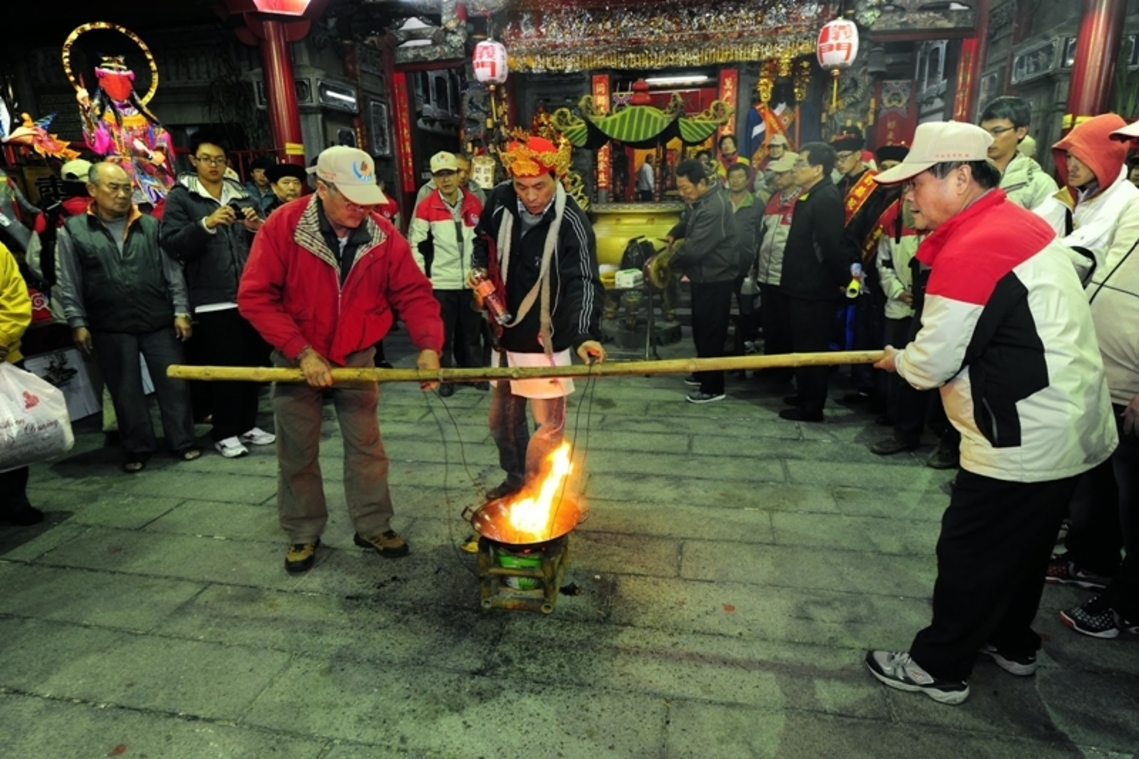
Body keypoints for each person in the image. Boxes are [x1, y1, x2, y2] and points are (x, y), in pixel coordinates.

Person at [864, 121, 1117, 705]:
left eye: (916, 184)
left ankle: (938, 666)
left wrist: (899, 360)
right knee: (1024, 549)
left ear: (959, 177)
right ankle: (1011, 641)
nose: (908, 199)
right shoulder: (1016, 222)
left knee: (971, 550)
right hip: (1067, 421)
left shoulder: (973, 246)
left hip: (1020, 432)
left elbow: (930, 364)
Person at [238, 146, 443, 574]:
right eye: (349, 198)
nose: (360, 208)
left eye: (365, 198)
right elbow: (256, 297)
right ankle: (303, 530)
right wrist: (301, 352)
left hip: (357, 355)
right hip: (297, 356)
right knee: (297, 449)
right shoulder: (284, 226)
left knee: (367, 446)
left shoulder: (382, 234)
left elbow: (413, 293)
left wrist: (428, 345)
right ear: (321, 188)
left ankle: (372, 524)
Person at [469, 134, 606, 501]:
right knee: (502, 422)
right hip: (504, 332)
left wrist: (585, 334)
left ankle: (538, 493)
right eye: (522, 186)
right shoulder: (500, 200)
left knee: (547, 426)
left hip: (545, 337)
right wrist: (478, 270)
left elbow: (584, 280)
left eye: (539, 186)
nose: (530, 196)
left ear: (556, 178)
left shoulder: (571, 220)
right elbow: (481, 240)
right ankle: (516, 480)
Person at [1049, 117, 1139, 638]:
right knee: (1104, 481)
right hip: (1107, 369)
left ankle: (1127, 603)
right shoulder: (1109, 205)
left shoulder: (1125, 202)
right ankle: (1094, 562)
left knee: (1134, 501)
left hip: (1132, 379)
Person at [57, 162, 200, 472]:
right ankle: (137, 447)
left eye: (127, 188)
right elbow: (69, 280)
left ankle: (183, 441)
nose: (122, 195)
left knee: (174, 385)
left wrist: (180, 310)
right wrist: (77, 321)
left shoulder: (150, 225)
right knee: (125, 390)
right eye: (114, 187)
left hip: (158, 319)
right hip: (109, 323)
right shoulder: (73, 230)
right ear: (92, 189)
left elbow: (172, 272)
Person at [160, 130, 275, 459]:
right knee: (226, 367)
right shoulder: (182, 197)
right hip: (212, 298)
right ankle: (225, 431)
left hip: (249, 294)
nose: (213, 165)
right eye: (206, 159)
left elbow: (264, 244)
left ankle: (247, 424)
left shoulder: (242, 194)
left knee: (251, 362)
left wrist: (255, 227)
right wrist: (206, 224)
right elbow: (171, 243)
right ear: (194, 161)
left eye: (220, 160)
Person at [779, 143, 847, 422]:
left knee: (812, 347)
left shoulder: (826, 198)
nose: (795, 168)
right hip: (802, 284)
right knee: (802, 344)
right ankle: (804, 393)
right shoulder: (811, 195)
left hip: (815, 287)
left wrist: (843, 279)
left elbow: (830, 246)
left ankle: (812, 406)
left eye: (800, 163)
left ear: (818, 168)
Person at [408, 151, 484, 398]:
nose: (446, 179)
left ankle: (474, 373)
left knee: (471, 332)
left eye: (449, 173)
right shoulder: (426, 206)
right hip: (440, 282)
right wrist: (423, 279)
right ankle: (446, 378)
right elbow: (416, 245)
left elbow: (484, 240)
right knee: (444, 334)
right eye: (440, 175)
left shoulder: (474, 203)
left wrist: (482, 271)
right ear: (434, 178)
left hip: (470, 281)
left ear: (458, 174)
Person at [664, 159, 738, 404]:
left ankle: (713, 387)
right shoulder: (702, 201)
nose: (682, 193)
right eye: (680, 188)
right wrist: (674, 232)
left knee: (711, 332)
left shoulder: (714, 207)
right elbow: (688, 220)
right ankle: (703, 372)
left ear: (702, 183)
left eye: (686, 188)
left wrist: (667, 263)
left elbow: (694, 249)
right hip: (703, 276)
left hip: (716, 278)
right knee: (701, 328)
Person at [1035, 113, 1139, 280]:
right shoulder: (1063, 197)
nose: (1070, 166)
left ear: (1107, 158)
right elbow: (1028, 231)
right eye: (1069, 156)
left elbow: (1081, 251)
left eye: (1081, 157)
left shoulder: (1127, 201)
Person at [0, 243, 40, 525]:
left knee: (14, 436)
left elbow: (14, 298)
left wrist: (2, 337)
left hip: (4, 358)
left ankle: (15, 500)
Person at [754, 151, 799, 386]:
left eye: (782, 174)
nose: (777, 178)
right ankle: (770, 364)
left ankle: (785, 370)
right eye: (776, 174)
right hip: (766, 273)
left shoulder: (803, 200)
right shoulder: (773, 198)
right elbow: (763, 234)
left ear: (794, 172)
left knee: (786, 324)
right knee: (770, 323)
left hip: (787, 275)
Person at [978, 96, 1058, 212]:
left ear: (1021, 132)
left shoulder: (1039, 184)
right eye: (984, 132)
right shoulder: (966, 173)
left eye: (997, 131)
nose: (989, 139)